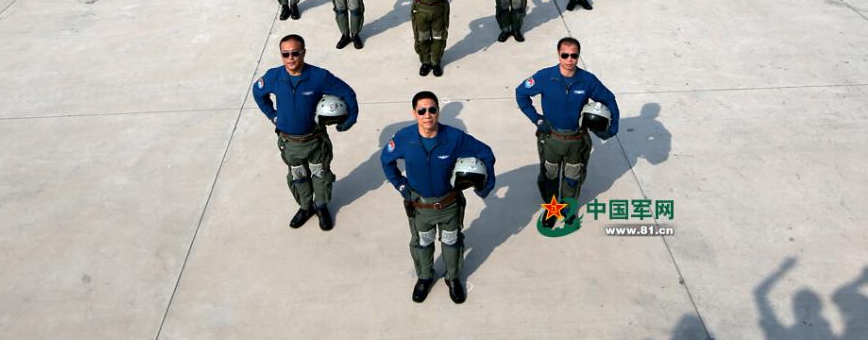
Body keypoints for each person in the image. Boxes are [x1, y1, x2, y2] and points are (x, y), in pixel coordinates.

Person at [380, 90, 495, 304]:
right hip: (420, 206)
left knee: (451, 242)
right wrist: (401, 185)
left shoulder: (454, 138)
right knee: (422, 243)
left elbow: (486, 153)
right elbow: (386, 160)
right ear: (414, 113)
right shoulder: (404, 138)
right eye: (422, 110)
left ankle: (453, 278)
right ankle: (425, 277)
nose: (427, 115)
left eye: (432, 109)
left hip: (449, 204)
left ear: (438, 111)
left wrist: (486, 185)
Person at [253, 34, 358, 231]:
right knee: (298, 176)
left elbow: (347, 92)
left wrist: (350, 118)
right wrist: (273, 116)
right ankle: (305, 206)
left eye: (295, 53)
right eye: (285, 54)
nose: (290, 58)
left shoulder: (318, 76)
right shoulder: (273, 77)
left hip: (315, 141)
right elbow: (258, 93)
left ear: (303, 53)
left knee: (320, 176)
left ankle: (321, 207)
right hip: (290, 143)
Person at [515, 37, 619, 228]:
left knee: (573, 177)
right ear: (559, 54)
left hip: (576, 139)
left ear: (578, 56)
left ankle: (568, 208)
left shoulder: (587, 80)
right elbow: (521, 93)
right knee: (550, 176)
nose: (569, 59)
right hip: (551, 138)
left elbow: (609, 99)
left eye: (574, 55)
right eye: (565, 55)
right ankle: (552, 210)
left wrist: (612, 128)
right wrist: (537, 119)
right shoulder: (545, 77)